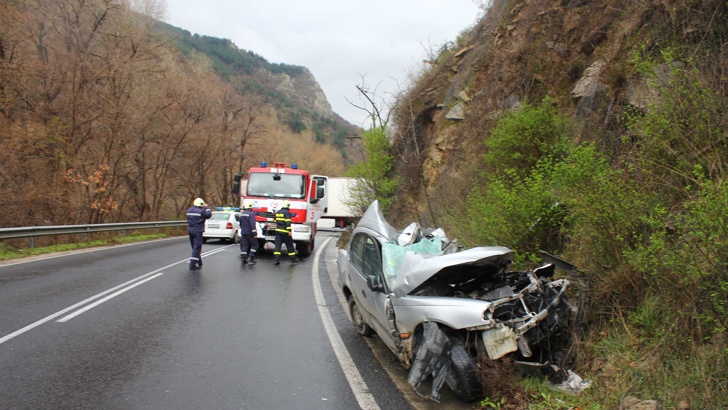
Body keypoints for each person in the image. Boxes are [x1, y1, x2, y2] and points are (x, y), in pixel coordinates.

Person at [187, 197, 212, 270]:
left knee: (194, 247)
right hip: (198, 231)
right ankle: (192, 265)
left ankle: (199, 261)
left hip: (190, 230)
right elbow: (208, 215)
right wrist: (206, 207)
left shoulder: (189, 210)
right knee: (197, 248)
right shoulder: (201, 211)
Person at [273, 200, 299, 265]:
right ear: (287, 206)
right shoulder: (287, 213)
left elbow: (275, 220)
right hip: (285, 232)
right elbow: (288, 223)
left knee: (277, 246)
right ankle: (293, 259)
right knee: (289, 246)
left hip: (278, 232)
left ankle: (276, 260)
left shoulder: (278, 212)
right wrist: (289, 231)